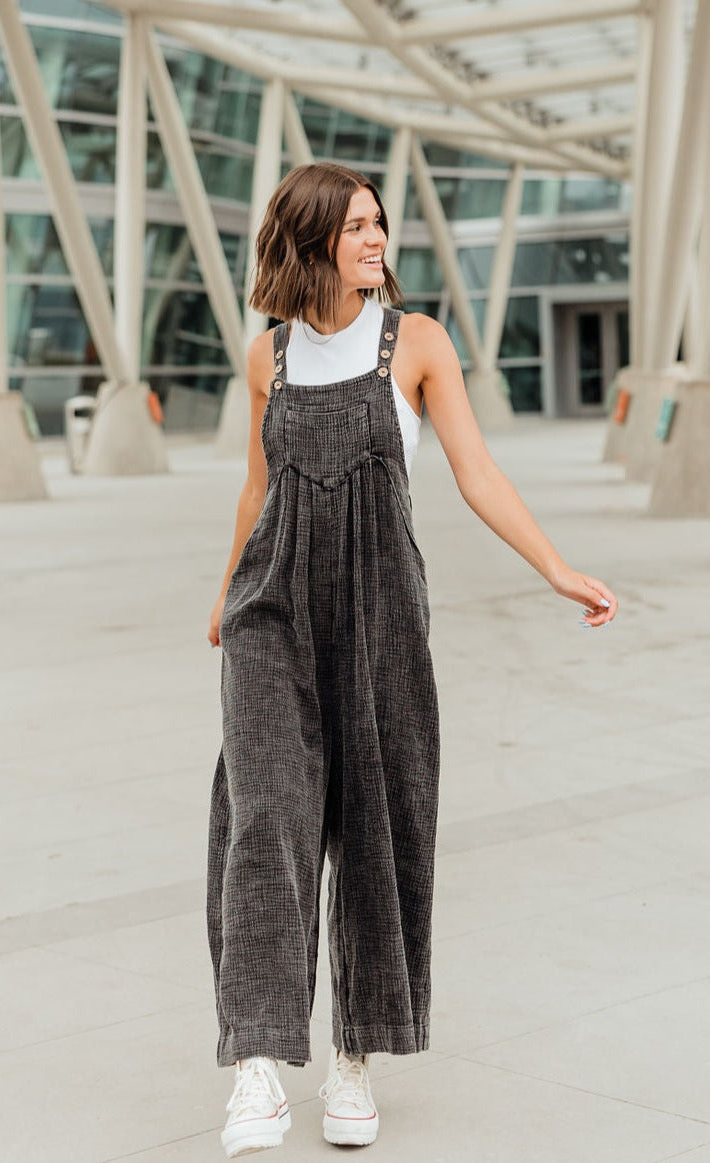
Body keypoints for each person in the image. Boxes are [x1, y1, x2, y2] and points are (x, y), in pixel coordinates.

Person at [206, 162, 618, 1159]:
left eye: (378, 223)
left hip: (381, 615)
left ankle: (353, 1053)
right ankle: (257, 1060)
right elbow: (256, 489)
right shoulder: (266, 356)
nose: (375, 240)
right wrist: (225, 596)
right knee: (262, 822)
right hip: (270, 613)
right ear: (310, 238)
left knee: (375, 832)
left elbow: (476, 471)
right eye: (355, 226)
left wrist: (556, 568)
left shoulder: (416, 341)